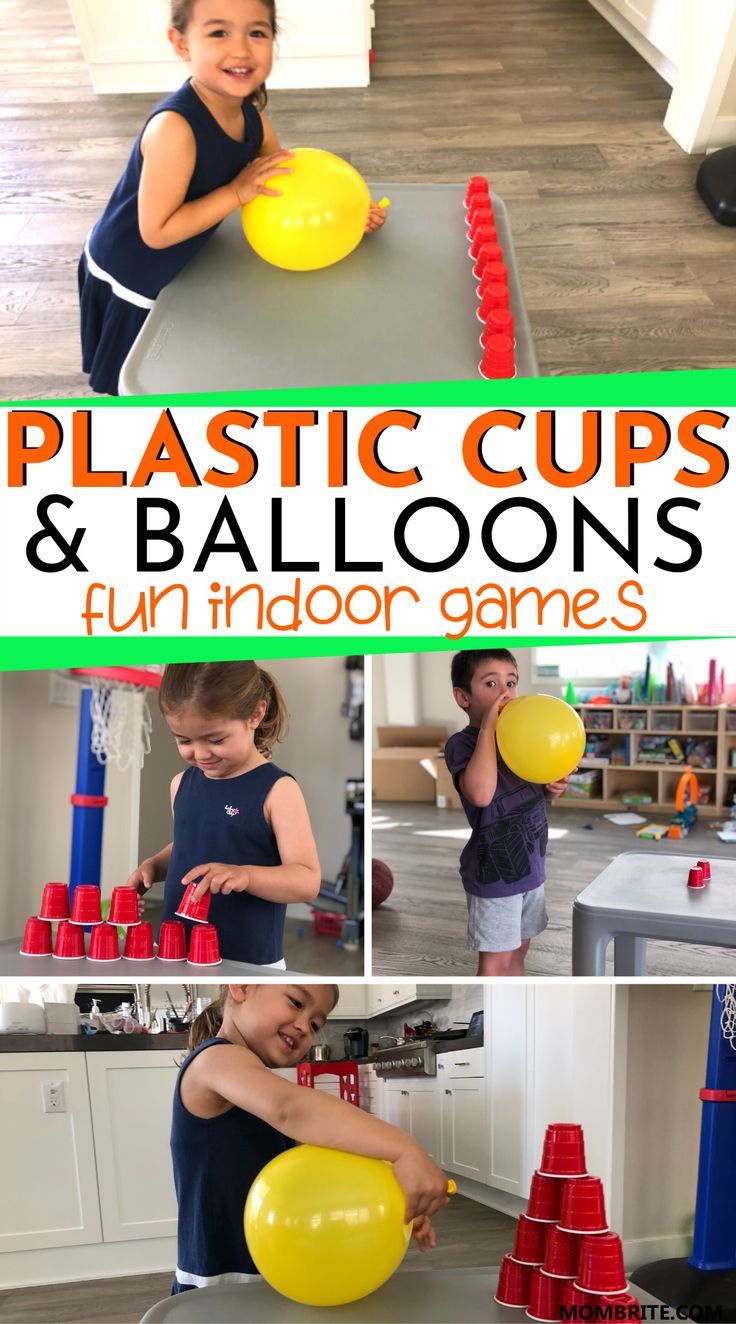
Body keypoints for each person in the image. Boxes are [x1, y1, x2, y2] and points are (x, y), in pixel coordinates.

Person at [79, 0, 387, 395]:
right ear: (181, 43)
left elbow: (289, 183)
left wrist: (349, 212)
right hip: (132, 270)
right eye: (219, 32)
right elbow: (155, 231)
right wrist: (235, 192)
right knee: (139, 381)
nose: (241, 49)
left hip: (187, 259)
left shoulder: (253, 120)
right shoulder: (175, 130)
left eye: (257, 33)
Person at [171, 983, 448, 1293]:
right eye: (295, 1002)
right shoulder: (213, 1060)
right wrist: (406, 1151)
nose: (305, 1026)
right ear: (242, 986)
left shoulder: (251, 1080)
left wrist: (393, 1196)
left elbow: (319, 1166)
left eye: (316, 1023)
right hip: (220, 1285)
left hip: (276, 1274)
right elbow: (290, 1109)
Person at [127, 661, 320, 967]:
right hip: (174, 953)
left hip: (247, 963)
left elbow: (307, 880)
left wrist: (245, 875)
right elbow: (189, 847)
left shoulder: (279, 790)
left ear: (255, 715)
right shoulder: (180, 784)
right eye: (184, 740)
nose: (201, 754)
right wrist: (154, 866)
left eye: (215, 740)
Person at [445, 649, 569, 977]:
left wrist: (550, 789)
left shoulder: (522, 737)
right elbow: (482, 794)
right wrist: (488, 730)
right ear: (463, 697)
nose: (505, 692)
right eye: (491, 683)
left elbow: (529, 792)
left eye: (511, 682)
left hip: (532, 867)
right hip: (495, 876)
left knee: (519, 952)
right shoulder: (463, 744)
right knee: (495, 961)